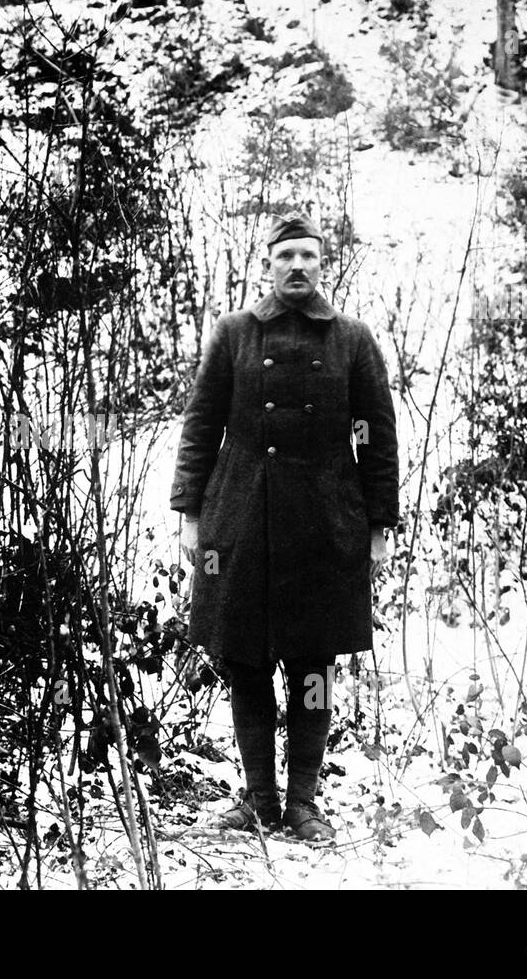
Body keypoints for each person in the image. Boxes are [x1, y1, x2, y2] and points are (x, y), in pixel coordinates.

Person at [170, 210, 399, 841]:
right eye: (285, 257)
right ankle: (258, 799)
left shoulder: (352, 339)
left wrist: (380, 524)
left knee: (314, 669)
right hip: (241, 517)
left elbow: (377, 436)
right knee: (244, 661)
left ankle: (302, 802)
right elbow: (199, 426)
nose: (297, 267)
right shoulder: (234, 333)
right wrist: (191, 513)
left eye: (309, 257)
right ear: (266, 265)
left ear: (324, 266)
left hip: (326, 525)